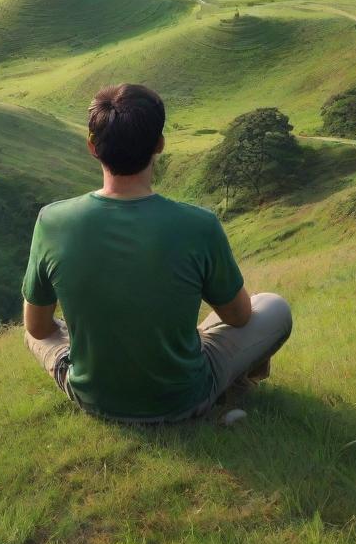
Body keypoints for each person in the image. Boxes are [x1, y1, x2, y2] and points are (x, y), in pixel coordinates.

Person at [21, 83, 292, 423]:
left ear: (92, 146)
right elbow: (239, 316)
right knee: (275, 306)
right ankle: (232, 387)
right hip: (183, 399)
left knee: (36, 328)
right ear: (160, 144)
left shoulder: (52, 221)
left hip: (92, 397)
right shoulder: (199, 225)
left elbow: (38, 327)